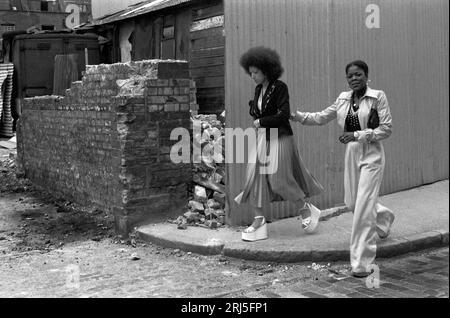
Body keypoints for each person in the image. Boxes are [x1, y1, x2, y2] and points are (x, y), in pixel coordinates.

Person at [290, 60, 395, 277]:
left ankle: (361, 263)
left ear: (366, 75)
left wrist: (357, 135)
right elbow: (321, 117)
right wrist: (297, 117)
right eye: (350, 76)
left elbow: (386, 129)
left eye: (358, 74)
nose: (354, 78)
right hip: (352, 154)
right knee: (352, 202)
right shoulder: (343, 98)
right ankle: (384, 218)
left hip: (372, 154)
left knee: (363, 211)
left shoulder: (378, 97)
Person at [234, 46, 324, 242]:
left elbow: (283, 115)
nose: (252, 76)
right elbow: (259, 112)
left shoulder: (280, 87)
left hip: (280, 136)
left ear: (267, 70)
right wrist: (256, 114)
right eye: (250, 73)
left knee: (277, 179)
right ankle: (258, 221)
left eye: (255, 72)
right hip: (263, 137)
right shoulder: (258, 89)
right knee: (254, 176)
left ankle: (306, 209)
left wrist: (262, 121)